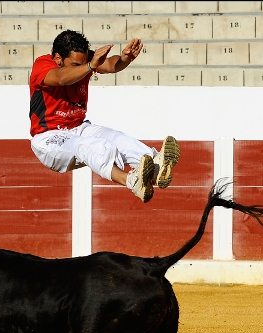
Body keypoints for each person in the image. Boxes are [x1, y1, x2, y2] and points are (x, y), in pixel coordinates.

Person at [29, 29, 180, 203]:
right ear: (58, 58)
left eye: (85, 62)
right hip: (48, 138)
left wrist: (125, 59)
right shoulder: (43, 64)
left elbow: (108, 64)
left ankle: (156, 168)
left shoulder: (84, 61)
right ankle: (132, 181)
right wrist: (89, 66)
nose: (83, 68)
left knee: (117, 138)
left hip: (79, 127)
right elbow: (61, 78)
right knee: (91, 146)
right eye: (76, 65)